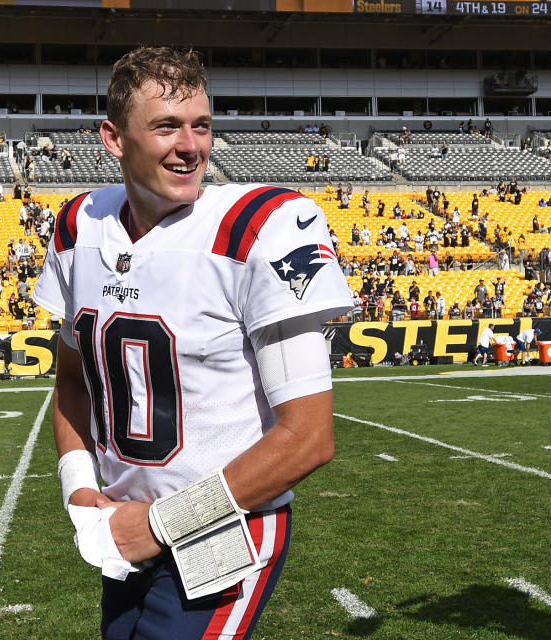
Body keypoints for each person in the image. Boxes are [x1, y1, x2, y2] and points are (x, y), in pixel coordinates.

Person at [32, 47, 351, 640]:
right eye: (165, 126)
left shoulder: (258, 226)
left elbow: (309, 438)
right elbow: (74, 381)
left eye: (200, 125)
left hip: (226, 528)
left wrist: (160, 524)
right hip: (123, 524)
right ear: (113, 138)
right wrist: (80, 492)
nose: (190, 146)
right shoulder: (80, 225)